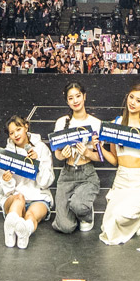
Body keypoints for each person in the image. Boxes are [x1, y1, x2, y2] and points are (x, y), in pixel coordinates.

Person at [97, 82, 140, 245]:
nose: (133, 102)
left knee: (121, 216)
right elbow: (115, 160)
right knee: (108, 227)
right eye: (131, 97)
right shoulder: (116, 123)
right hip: (121, 180)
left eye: (138, 100)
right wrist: (100, 148)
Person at [0, 115, 55, 249]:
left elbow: (46, 182)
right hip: (13, 198)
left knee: (30, 215)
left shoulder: (41, 148)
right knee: (19, 198)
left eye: (18, 129)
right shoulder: (6, 154)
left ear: (26, 127)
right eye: (11, 133)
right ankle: (10, 232)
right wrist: (7, 182)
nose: (15, 135)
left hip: (38, 198)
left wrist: (37, 164)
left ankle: (24, 232)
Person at [50, 81, 103, 234]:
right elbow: (58, 154)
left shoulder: (96, 123)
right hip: (67, 174)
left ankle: (85, 212)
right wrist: (62, 155)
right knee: (65, 227)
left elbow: (100, 156)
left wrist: (87, 153)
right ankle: (75, 207)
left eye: (78, 96)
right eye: (71, 98)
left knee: (79, 205)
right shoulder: (61, 122)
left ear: (84, 96)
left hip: (87, 173)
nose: (75, 101)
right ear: (67, 101)